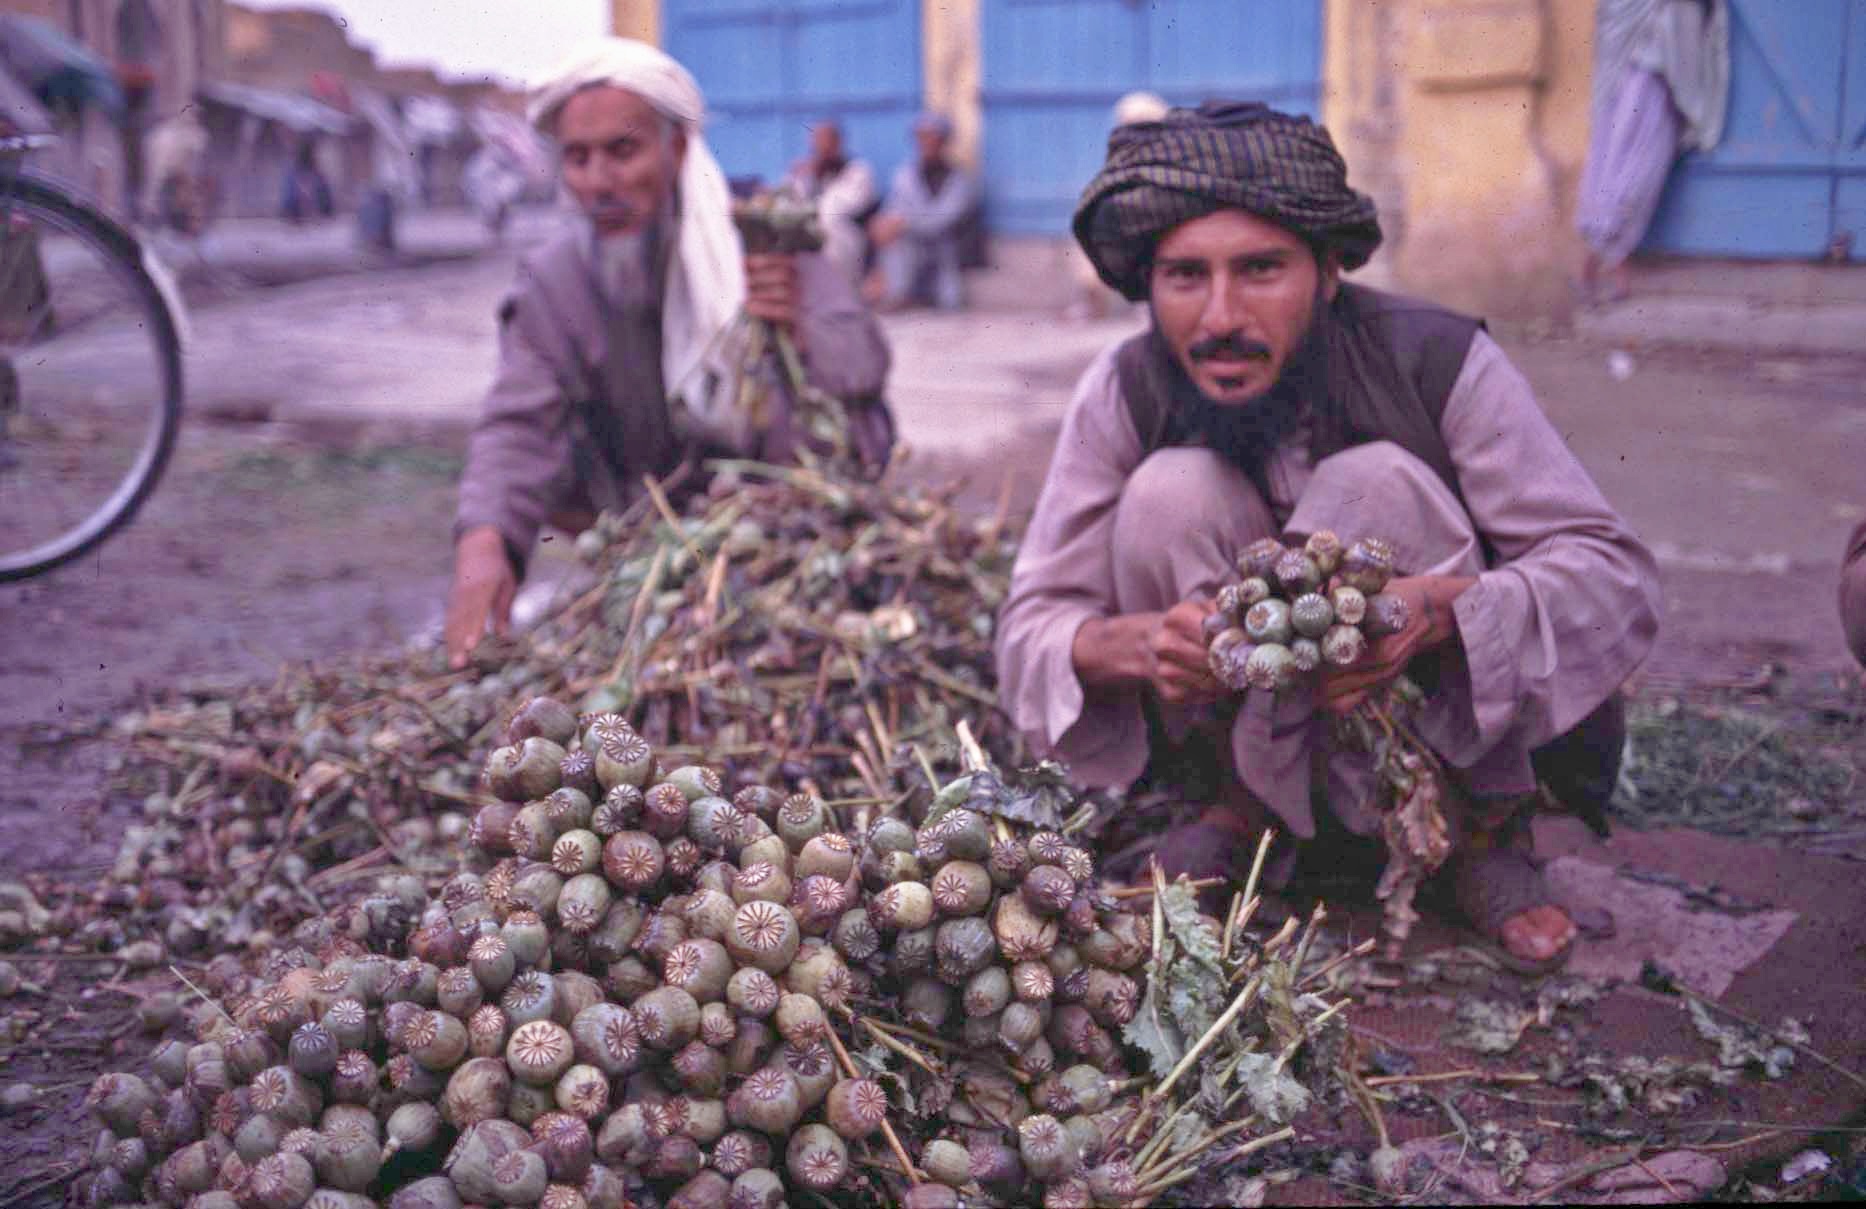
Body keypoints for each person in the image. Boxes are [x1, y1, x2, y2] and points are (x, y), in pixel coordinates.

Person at [994, 101, 1661, 972]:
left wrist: (1443, 611)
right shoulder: (1125, 387)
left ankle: (1477, 832)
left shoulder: (1438, 359)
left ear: (1330, 270)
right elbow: (1028, 623)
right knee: (1168, 490)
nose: (1220, 316)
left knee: (1372, 483)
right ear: (1147, 284)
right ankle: (1241, 808)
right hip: (1235, 736)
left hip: (1439, 735)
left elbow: (1614, 579)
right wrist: (1137, 644)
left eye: (1261, 269)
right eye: (1185, 276)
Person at [445, 39, 892, 670]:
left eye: (622, 151)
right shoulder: (556, 280)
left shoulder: (765, 239)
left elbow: (863, 373)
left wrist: (798, 329)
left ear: (676, 148)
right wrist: (485, 539)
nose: (600, 182)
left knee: (849, 416)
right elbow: (517, 422)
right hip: (642, 532)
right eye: (578, 159)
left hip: (779, 539)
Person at [1576, 0, 1729, 304]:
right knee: (1617, 155)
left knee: (1639, 164)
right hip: (1630, 61)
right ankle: (1601, 262)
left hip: (1664, 61)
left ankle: (1602, 262)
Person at [1066, 91, 1169, 320]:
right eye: (1131, 123)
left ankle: (1151, 303)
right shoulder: (1120, 153)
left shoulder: (1170, 150)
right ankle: (1091, 301)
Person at [868, 111, 976, 311]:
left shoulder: (959, 180)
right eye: (922, 137)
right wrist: (885, 225)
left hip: (944, 249)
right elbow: (893, 208)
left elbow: (942, 220)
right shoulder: (904, 175)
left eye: (932, 137)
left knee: (949, 301)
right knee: (894, 243)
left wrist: (903, 223)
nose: (926, 143)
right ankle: (896, 295)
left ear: (943, 141)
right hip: (910, 245)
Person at [783, 120, 877, 288]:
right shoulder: (807, 171)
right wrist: (799, 177)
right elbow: (791, 200)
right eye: (818, 141)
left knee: (829, 225)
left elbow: (837, 207)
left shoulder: (857, 170)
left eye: (827, 141)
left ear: (838, 142)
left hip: (848, 237)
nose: (822, 147)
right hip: (812, 234)